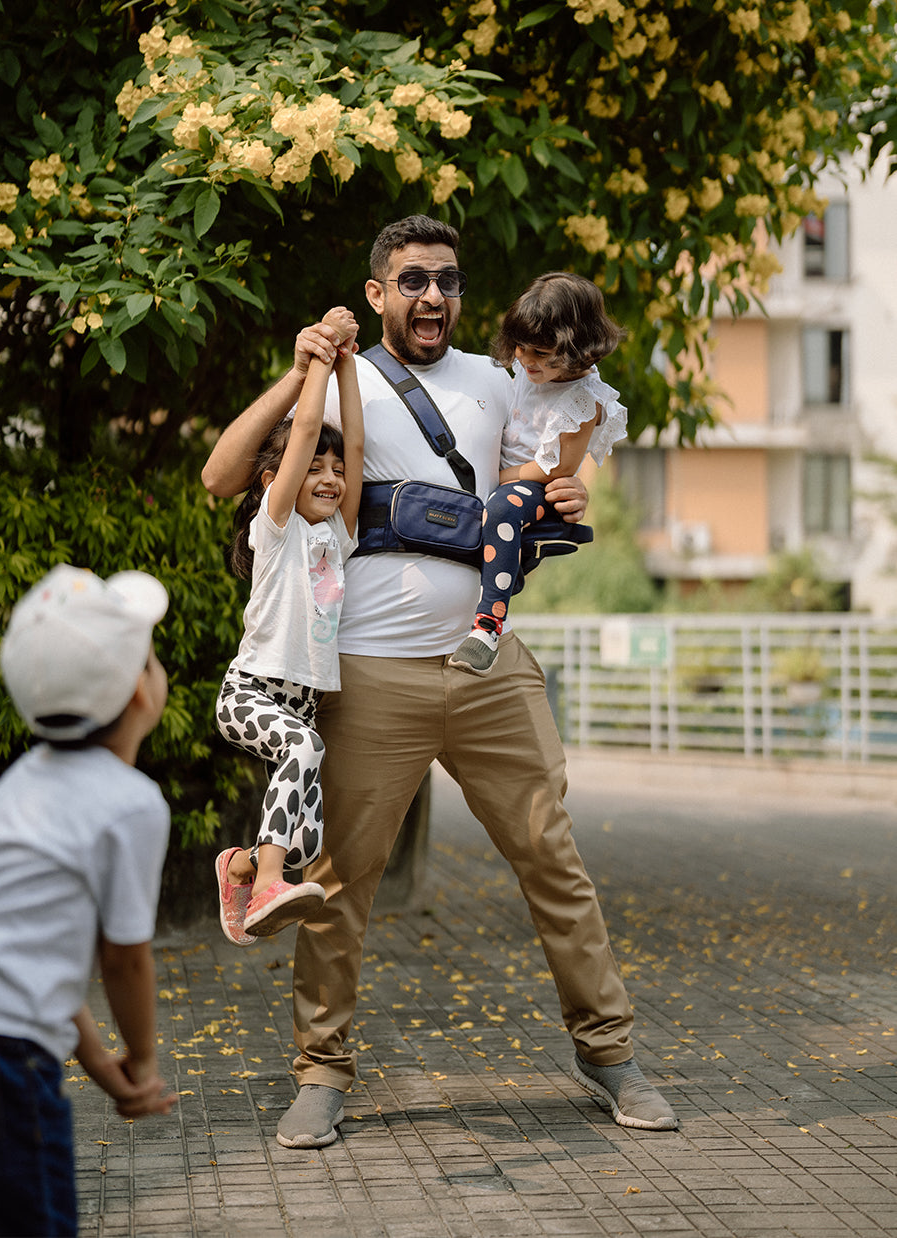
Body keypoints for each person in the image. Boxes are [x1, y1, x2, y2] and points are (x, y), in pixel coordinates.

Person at [202, 215, 678, 1149]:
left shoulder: (501, 384)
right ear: (377, 291)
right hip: (371, 671)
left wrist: (568, 490)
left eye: (449, 281)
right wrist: (303, 367)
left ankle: (611, 1053)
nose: (433, 297)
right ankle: (322, 1071)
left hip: (490, 664)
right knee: (340, 877)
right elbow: (226, 475)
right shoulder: (344, 386)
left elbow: (537, 472)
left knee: (554, 859)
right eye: (413, 280)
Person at [0, 564, 178, 1237]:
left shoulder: (19, 787)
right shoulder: (129, 805)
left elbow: (33, 974)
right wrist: (141, 1061)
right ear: (141, 692)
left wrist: (103, 1073)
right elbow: (124, 960)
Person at [214, 306, 363, 943]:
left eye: (336, 473)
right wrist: (320, 365)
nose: (329, 477)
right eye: (314, 469)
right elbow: (305, 433)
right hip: (251, 691)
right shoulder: (277, 532)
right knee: (305, 748)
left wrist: (351, 368)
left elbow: (351, 445)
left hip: (299, 703)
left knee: (307, 843)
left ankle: (246, 866)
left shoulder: (339, 536)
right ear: (280, 482)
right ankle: (267, 885)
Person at [450, 271, 628, 675]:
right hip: (509, 480)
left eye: (541, 353)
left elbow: (557, 468)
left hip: (532, 488)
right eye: (521, 348)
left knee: (500, 509)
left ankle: (488, 626)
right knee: (495, 511)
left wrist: (497, 475)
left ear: (581, 350)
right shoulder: (527, 374)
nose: (527, 360)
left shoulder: (582, 399)